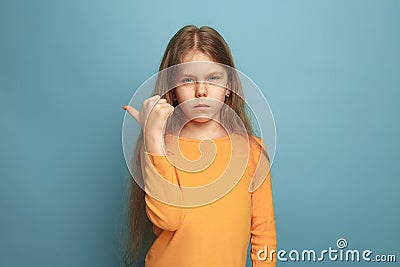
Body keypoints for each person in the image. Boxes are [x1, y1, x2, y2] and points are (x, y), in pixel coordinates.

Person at [122, 25, 276, 267]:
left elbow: (264, 234)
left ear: (229, 86)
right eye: (188, 80)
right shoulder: (159, 149)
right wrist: (152, 136)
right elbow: (168, 219)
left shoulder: (253, 151)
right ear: (173, 91)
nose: (201, 90)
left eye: (213, 77)